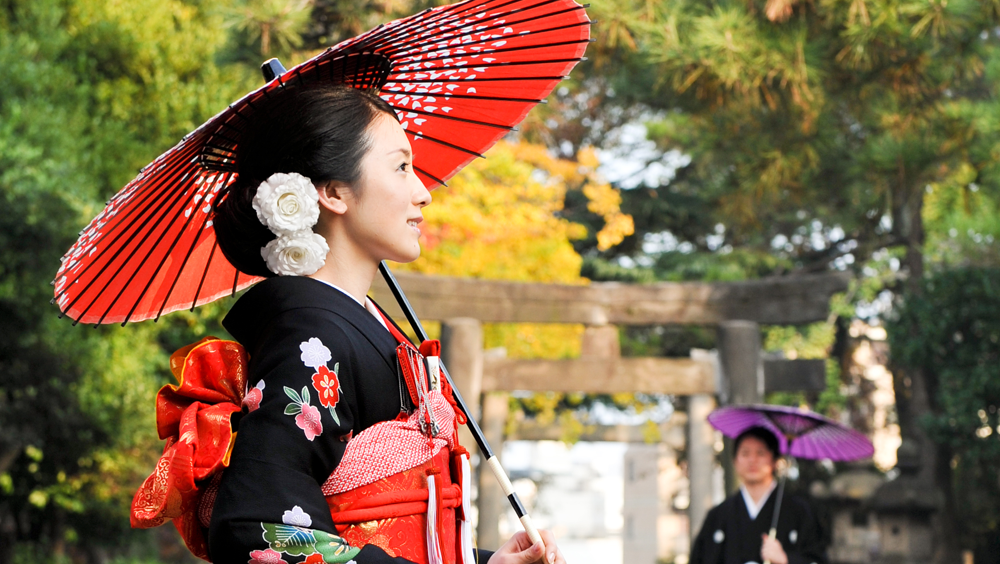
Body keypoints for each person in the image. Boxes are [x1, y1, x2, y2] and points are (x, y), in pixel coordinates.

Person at [193, 85, 564, 564]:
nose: (423, 192)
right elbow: (260, 528)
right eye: (401, 166)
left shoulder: (359, 322)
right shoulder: (310, 336)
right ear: (332, 192)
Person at [690, 427, 826, 564]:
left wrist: (786, 560)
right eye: (745, 453)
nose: (752, 460)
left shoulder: (799, 511)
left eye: (760, 453)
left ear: (774, 460)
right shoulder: (718, 516)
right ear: (735, 461)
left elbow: (818, 558)